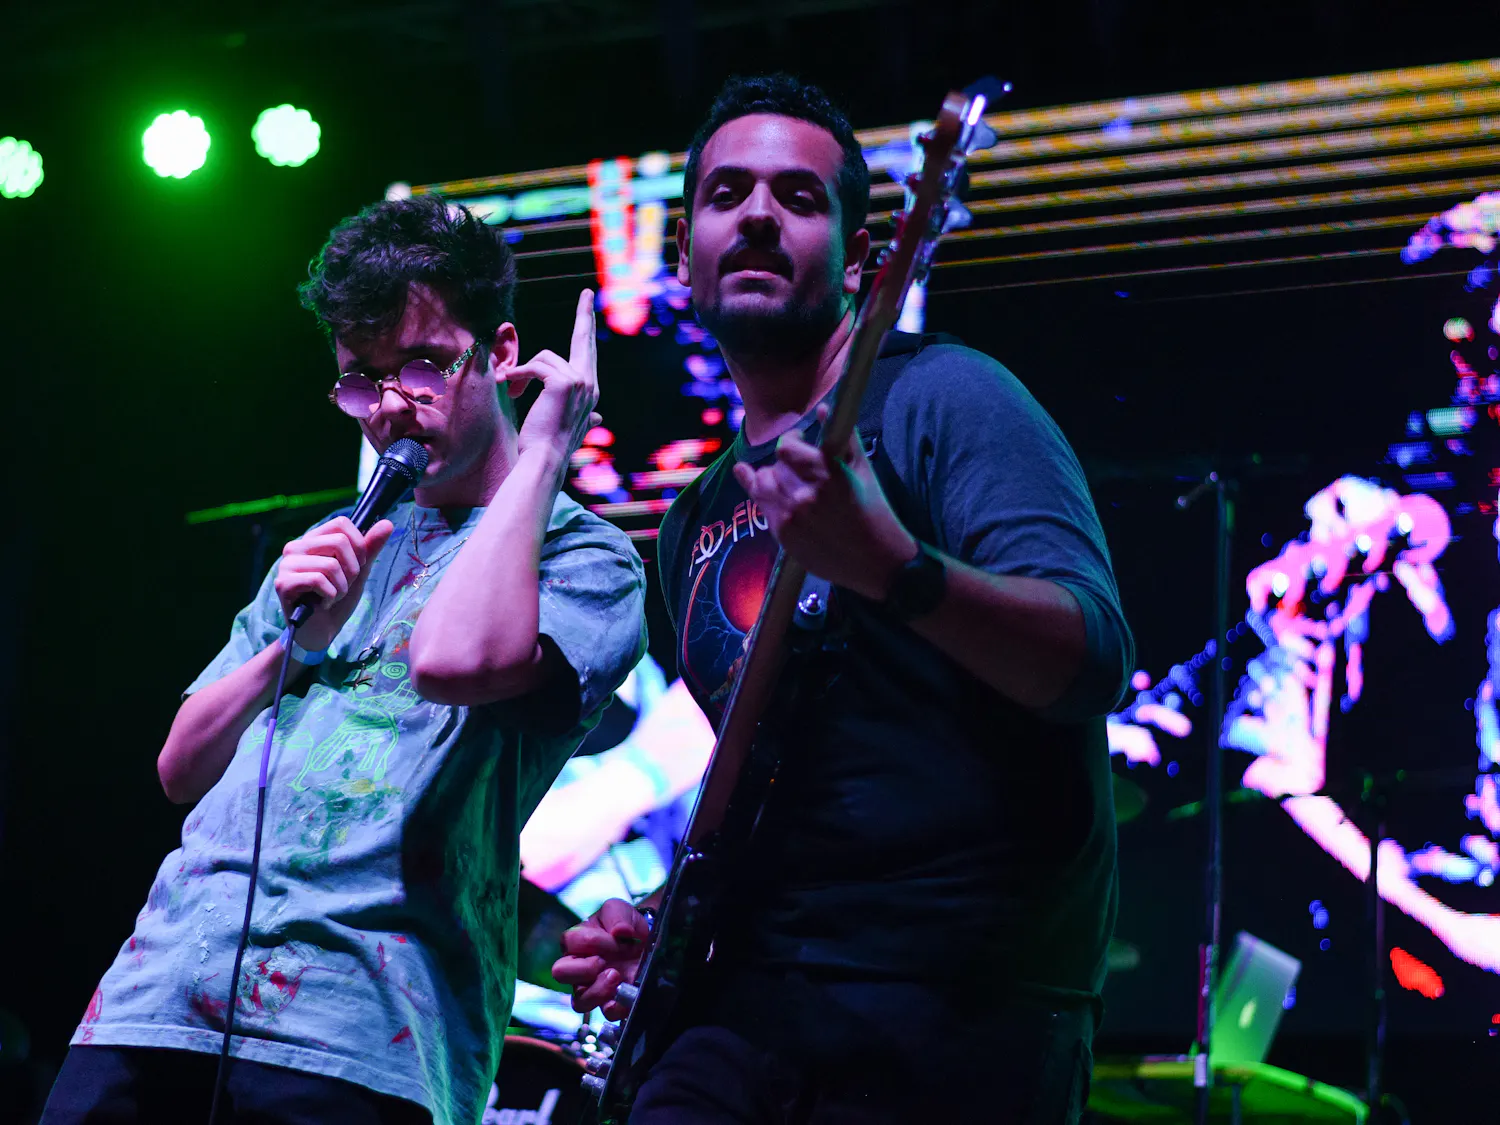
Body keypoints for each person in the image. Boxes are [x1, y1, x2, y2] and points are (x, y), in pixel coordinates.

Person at [554, 74, 1133, 1122]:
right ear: (685, 250)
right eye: (727, 196)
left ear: (863, 260)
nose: (760, 216)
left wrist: (896, 570)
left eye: (799, 197)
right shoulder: (692, 520)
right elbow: (775, 788)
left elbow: (1088, 657)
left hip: (958, 1009)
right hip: (749, 1004)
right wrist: (663, 914)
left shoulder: (945, 399)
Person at [42, 197, 647, 1125]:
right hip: (157, 999)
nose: (391, 406)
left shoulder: (581, 557)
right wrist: (294, 643)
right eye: (362, 380)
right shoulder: (333, 546)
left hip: (365, 1027)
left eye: (422, 365)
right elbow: (179, 767)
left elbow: (457, 662)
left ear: (500, 353)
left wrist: (544, 453)